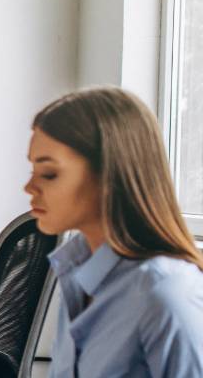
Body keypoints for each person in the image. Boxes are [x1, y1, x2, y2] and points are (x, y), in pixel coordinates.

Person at [21, 87, 203, 377]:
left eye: (49, 174)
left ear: (108, 175)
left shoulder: (165, 295)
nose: (29, 187)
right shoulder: (76, 273)